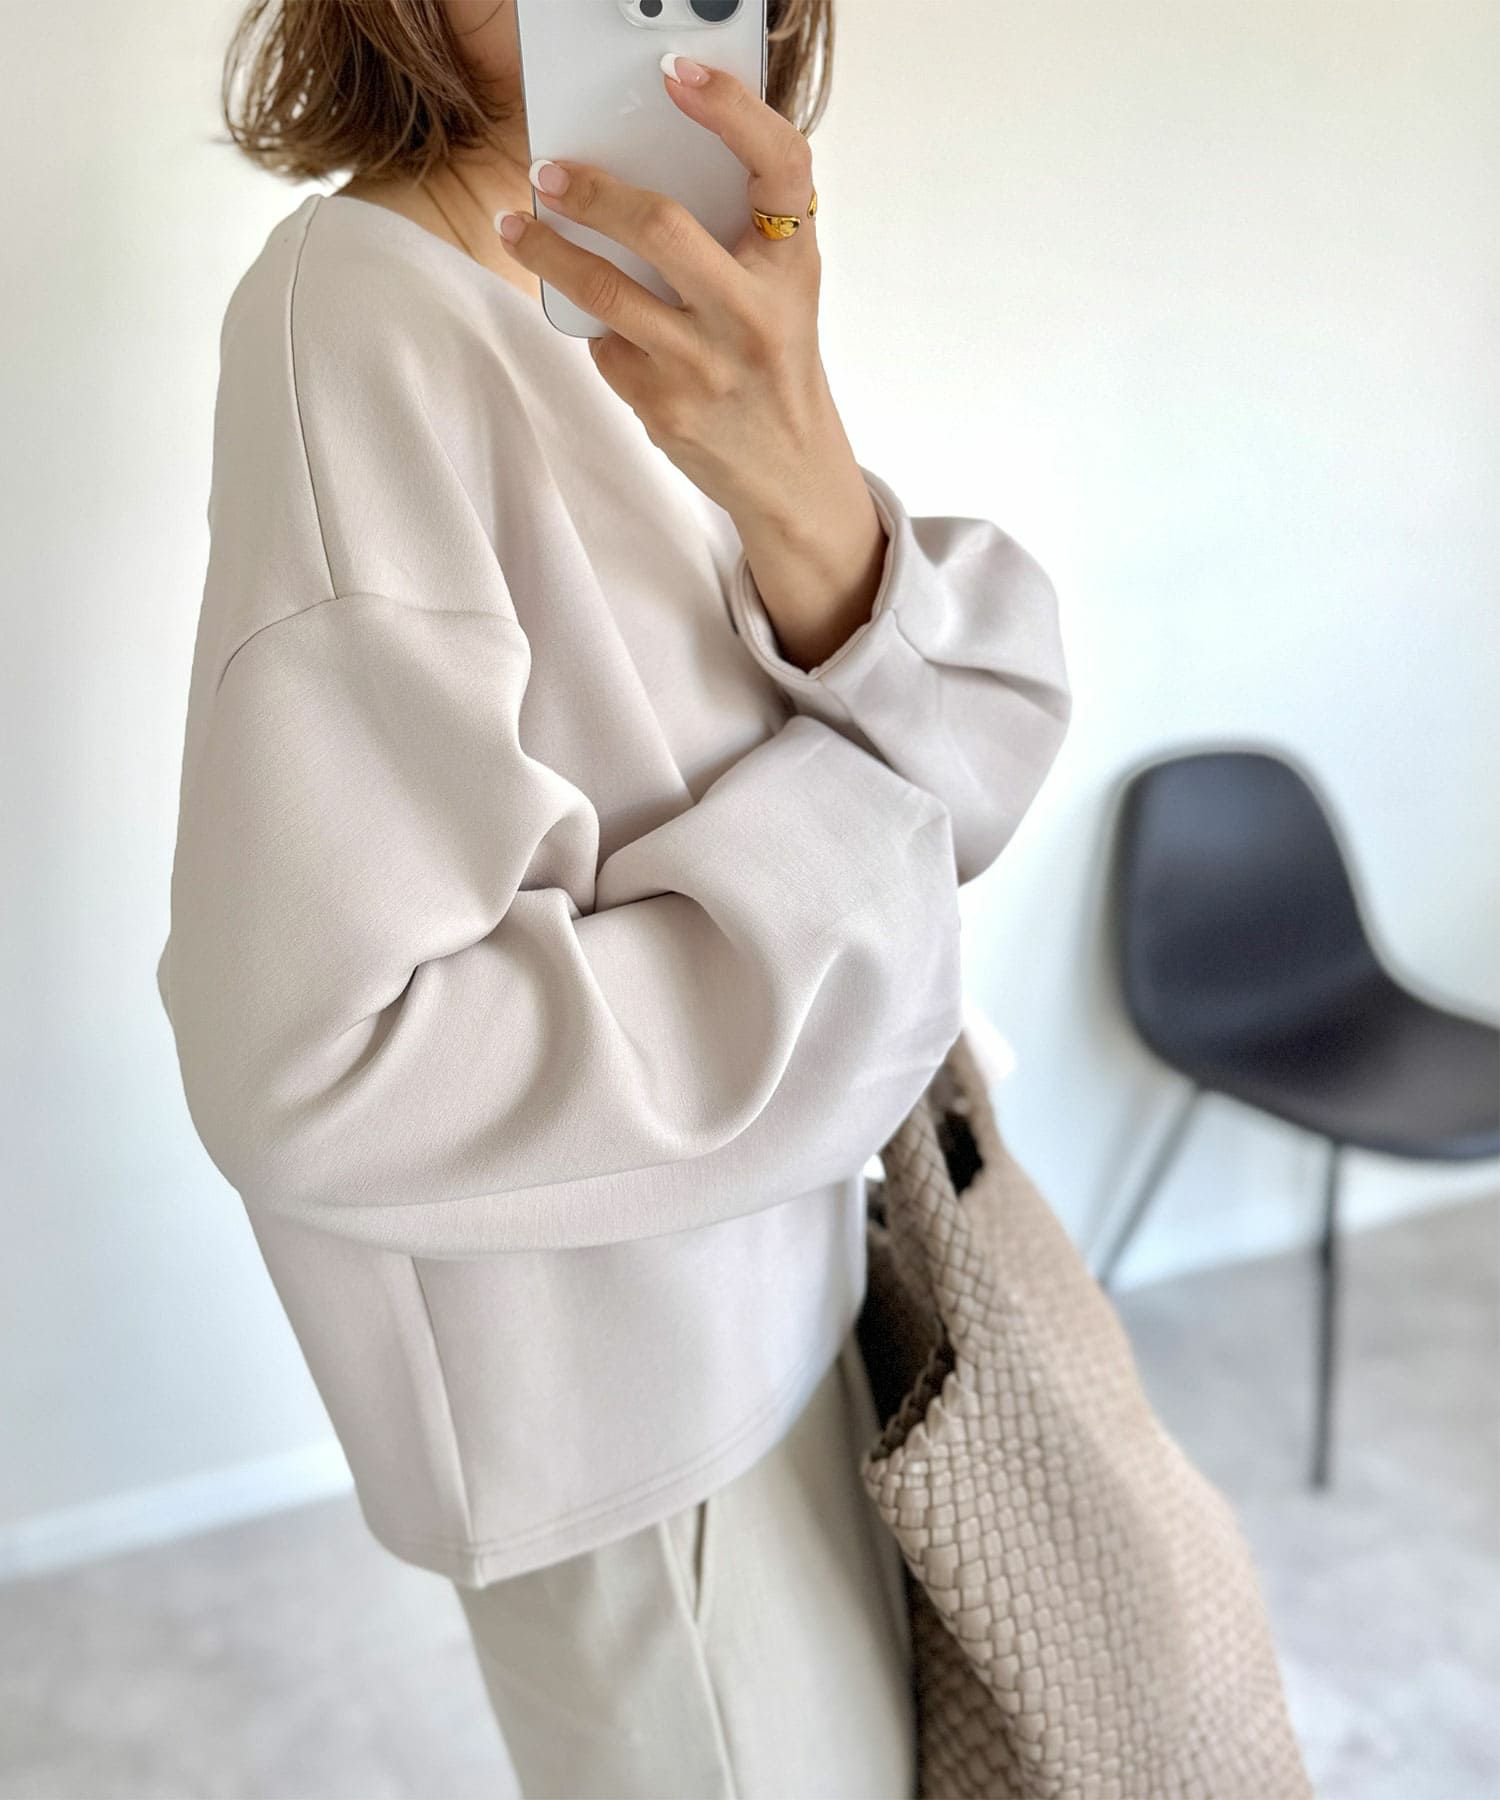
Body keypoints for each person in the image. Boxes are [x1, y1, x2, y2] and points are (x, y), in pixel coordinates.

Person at [155, 2, 1072, 1793]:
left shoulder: (645, 285)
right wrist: (859, 879)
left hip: (800, 1287)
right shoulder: (361, 317)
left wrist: (803, 471)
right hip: (635, 1422)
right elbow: (323, 1061)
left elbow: (979, 763)